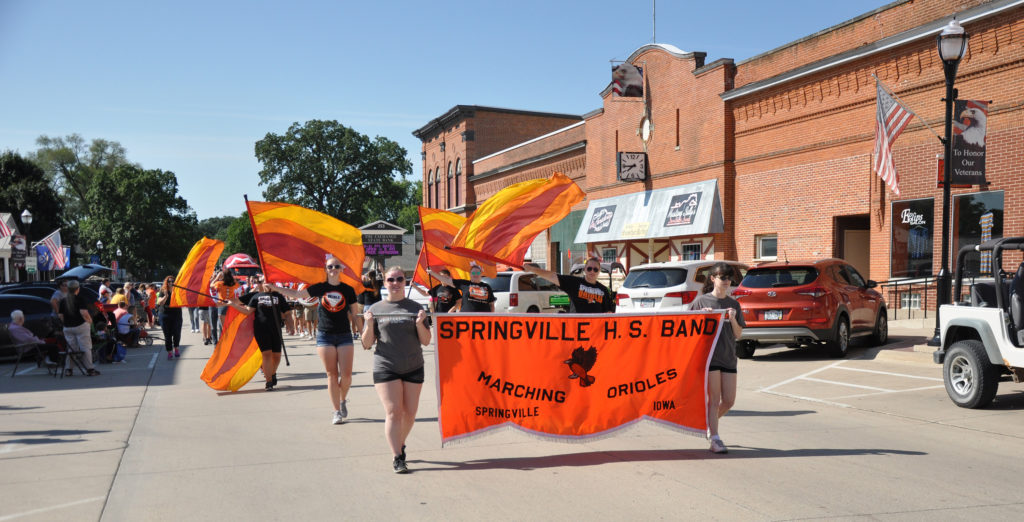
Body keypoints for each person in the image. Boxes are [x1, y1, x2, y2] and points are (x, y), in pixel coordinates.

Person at [271, 257, 362, 423]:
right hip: (325, 335)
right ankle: (336, 412)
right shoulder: (321, 288)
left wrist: (363, 333)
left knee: (347, 376)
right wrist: (275, 288)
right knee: (332, 374)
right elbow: (297, 294)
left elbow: (355, 314)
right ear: (326, 269)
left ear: (341, 269)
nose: (333, 269)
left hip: (344, 335)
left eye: (336, 266)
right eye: (330, 266)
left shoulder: (348, 290)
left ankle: (342, 400)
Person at [361, 266, 431, 473]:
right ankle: (398, 457)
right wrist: (369, 324)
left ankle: (399, 443)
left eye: (400, 279)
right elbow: (367, 344)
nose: (396, 283)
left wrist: (420, 323)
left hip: (413, 365)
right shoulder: (375, 308)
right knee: (394, 412)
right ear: (385, 283)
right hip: (386, 366)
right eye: (391, 279)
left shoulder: (415, 307)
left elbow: (426, 341)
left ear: (405, 282)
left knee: (409, 414)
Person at [691, 262, 745, 454]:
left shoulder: (734, 304)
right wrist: (701, 317)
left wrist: (732, 319)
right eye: (723, 277)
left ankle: (708, 424)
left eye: (729, 278)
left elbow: (738, 334)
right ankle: (715, 438)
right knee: (714, 399)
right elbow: (687, 331)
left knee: (729, 401)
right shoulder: (701, 302)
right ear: (713, 279)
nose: (727, 281)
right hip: (709, 358)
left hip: (729, 356)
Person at [228, 275, 288, 391]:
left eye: (269, 282)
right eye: (263, 282)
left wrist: (290, 324)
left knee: (277, 356)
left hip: (276, 329)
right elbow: (247, 311)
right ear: (260, 284)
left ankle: (272, 372)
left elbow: (287, 312)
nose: (266, 284)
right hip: (261, 329)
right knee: (266, 354)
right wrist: (232, 305)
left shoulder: (278, 296)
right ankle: (269, 381)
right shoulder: (256, 297)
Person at [523, 257, 615, 313]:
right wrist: (532, 269)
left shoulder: (603, 290)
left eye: (595, 269)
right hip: (576, 330)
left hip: (594, 333)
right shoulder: (574, 283)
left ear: (599, 271)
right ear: (585, 269)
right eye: (589, 268)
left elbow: (608, 313)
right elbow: (552, 276)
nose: (592, 271)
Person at [61, 280, 100, 376]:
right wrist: (90, 321)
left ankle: (68, 369)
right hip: (81, 325)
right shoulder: (80, 299)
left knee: (71, 348)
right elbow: (84, 313)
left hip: (67, 327)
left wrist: (66, 322)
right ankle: (90, 369)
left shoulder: (63, 300)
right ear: (77, 289)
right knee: (85, 347)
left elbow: (60, 315)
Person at [426, 262, 496, 312]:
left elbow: (491, 305)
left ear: (481, 274)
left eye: (477, 273)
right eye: (473, 273)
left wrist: (491, 318)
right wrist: (432, 273)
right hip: (465, 318)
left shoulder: (487, 287)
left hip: (483, 319)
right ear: (470, 274)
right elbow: (447, 280)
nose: (475, 275)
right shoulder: (464, 284)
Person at [156, 275, 184, 360]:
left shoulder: (178, 290)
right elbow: (160, 302)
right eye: (169, 281)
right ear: (166, 282)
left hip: (176, 313)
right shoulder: (163, 290)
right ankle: (169, 352)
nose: (171, 283)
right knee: (167, 334)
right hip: (165, 313)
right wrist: (166, 296)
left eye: (172, 281)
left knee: (176, 332)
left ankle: (176, 348)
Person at [211, 270, 239, 342]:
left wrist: (217, 277)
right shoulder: (234, 284)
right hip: (231, 305)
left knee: (223, 328)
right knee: (229, 326)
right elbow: (238, 286)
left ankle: (224, 342)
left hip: (222, 306)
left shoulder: (219, 283)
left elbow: (211, 285)